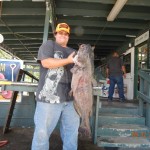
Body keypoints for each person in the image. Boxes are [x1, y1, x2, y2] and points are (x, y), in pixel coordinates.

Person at [31, 23, 80, 150]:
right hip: (48, 99)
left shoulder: (74, 52)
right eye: (60, 32)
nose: (63, 35)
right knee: (42, 134)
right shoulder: (49, 45)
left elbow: (80, 72)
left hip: (71, 101)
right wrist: (68, 61)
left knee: (72, 135)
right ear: (56, 34)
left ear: (68, 36)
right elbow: (46, 62)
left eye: (66, 33)